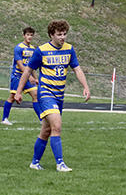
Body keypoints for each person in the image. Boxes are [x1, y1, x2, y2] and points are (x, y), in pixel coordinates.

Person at [14, 20, 90, 172]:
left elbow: (77, 69)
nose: (63, 37)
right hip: (46, 94)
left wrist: (85, 86)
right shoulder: (41, 50)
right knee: (57, 126)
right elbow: (28, 71)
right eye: (59, 34)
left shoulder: (69, 49)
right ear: (51, 35)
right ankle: (60, 164)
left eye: (64, 34)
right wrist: (18, 91)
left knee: (47, 131)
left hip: (59, 95)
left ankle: (35, 163)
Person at [1, 26, 41, 125]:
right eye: (28, 35)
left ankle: (41, 119)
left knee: (35, 95)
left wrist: (36, 78)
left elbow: (31, 66)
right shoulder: (18, 48)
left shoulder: (33, 49)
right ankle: (4, 119)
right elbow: (20, 64)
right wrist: (29, 76)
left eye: (31, 35)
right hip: (18, 76)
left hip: (28, 77)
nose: (29, 37)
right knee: (12, 97)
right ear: (24, 35)